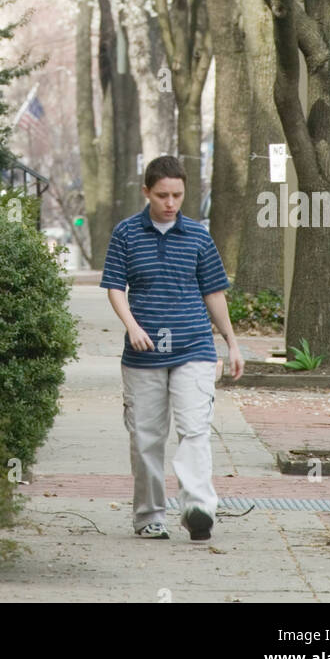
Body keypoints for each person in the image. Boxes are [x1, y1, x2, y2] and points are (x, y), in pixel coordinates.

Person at [100, 154, 244, 541]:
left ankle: (198, 508)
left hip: (194, 346)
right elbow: (115, 286)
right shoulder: (127, 233)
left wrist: (231, 342)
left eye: (177, 195)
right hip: (143, 354)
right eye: (162, 194)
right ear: (146, 192)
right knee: (146, 438)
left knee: (195, 429)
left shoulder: (198, 235)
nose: (170, 202)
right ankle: (149, 516)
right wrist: (131, 326)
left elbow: (213, 292)